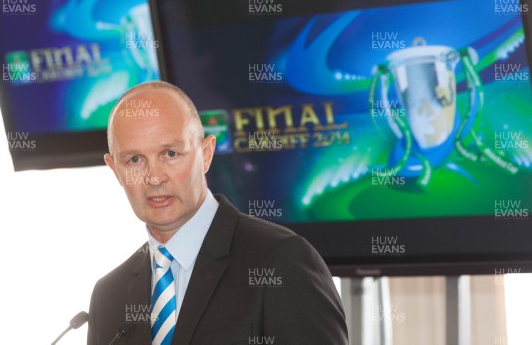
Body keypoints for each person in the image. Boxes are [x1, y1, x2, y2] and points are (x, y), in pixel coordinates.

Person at [87, 81, 348, 345]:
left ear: (207, 154)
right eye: (135, 160)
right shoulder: (108, 296)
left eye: (170, 153)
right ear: (114, 169)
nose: (154, 177)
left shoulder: (282, 261)